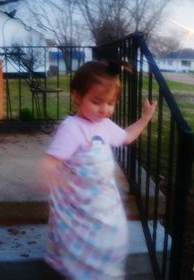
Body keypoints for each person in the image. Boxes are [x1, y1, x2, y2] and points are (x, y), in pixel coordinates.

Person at [38, 60, 156, 280]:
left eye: (111, 103)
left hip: (103, 201)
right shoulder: (72, 128)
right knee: (81, 245)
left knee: (111, 238)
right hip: (79, 203)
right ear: (76, 96)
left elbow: (127, 137)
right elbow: (51, 160)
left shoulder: (105, 125)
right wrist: (49, 174)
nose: (105, 109)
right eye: (97, 101)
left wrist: (145, 118)